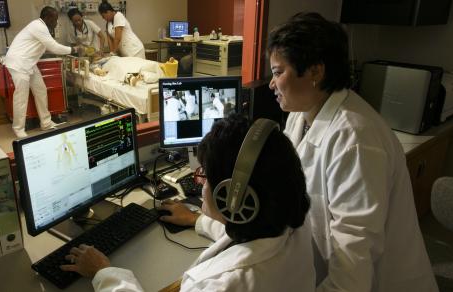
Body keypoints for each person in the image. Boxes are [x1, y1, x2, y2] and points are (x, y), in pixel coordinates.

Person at [267, 12, 438, 292]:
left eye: (277, 72)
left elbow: (352, 274)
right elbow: (284, 193)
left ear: (315, 71)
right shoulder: (302, 114)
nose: (272, 84)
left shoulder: (356, 140)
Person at [60, 114, 315, 291]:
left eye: (204, 175)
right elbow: (249, 241)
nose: (200, 183)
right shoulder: (292, 228)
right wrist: (197, 219)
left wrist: (103, 272)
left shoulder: (218, 286)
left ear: (232, 199)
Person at [5, 6, 78, 138]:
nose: (56, 23)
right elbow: (53, 47)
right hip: (19, 63)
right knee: (21, 97)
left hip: (29, 63)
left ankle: (46, 122)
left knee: (40, 90)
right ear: (48, 18)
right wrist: (73, 50)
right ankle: (18, 128)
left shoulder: (43, 28)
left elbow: (48, 46)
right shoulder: (38, 26)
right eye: (55, 19)